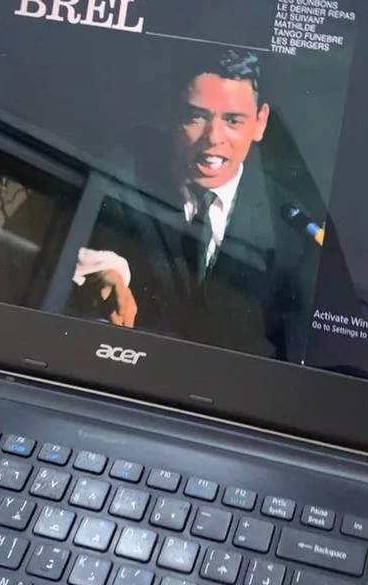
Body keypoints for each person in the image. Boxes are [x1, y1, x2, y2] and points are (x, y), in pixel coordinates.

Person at [69, 47, 324, 361]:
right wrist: (104, 271)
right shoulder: (116, 177)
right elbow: (70, 248)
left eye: (233, 120)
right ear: (170, 114)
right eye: (196, 117)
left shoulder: (290, 227)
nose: (213, 138)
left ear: (260, 123)